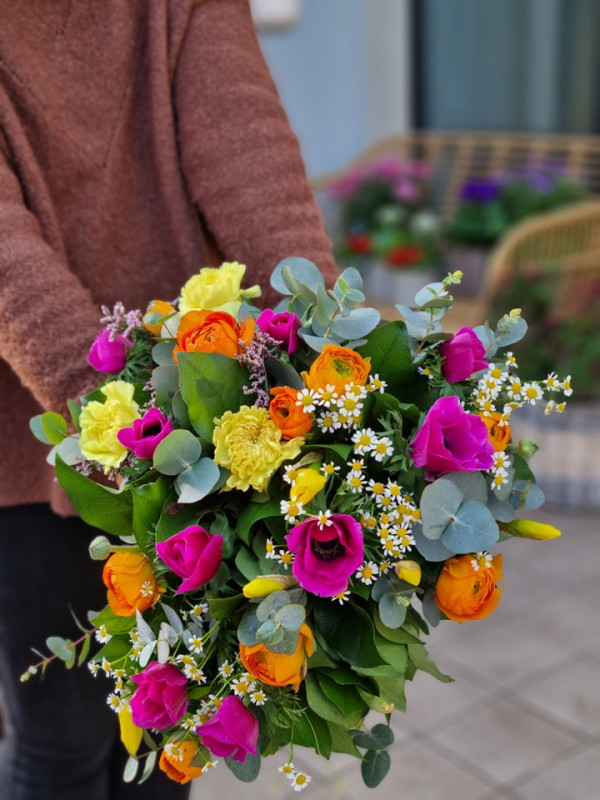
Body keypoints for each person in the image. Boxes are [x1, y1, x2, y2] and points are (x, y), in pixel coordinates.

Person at [0, 1, 338, 797]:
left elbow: (252, 160)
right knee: (60, 741)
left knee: (166, 730)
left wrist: (329, 362)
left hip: (188, 418)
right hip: (25, 434)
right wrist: (119, 419)